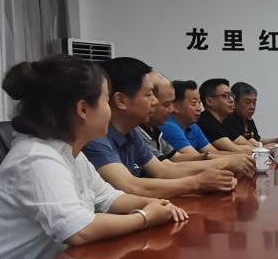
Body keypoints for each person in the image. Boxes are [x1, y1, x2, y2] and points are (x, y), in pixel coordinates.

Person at [0, 55, 187, 259]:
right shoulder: (36, 158)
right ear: (82, 109)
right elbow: (78, 230)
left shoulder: (68, 152)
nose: (109, 110)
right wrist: (145, 217)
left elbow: (109, 198)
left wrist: (156, 205)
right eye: (105, 100)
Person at [84, 58, 240, 197]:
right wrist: (198, 182)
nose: (155, 101)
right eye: (149, 94)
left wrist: (216, 171)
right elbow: (130, 186)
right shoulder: (94, 137)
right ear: (120, 101)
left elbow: (163, 170)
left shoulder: (131, 132)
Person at [162, 80, 241, 160]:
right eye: (194, 103)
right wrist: (234, 159)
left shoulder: (193, 126)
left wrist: (242, 157)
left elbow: (213, 152)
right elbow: (197, 158)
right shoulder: (168, 126)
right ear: (175, 107)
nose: (199, 108)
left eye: (199, 103)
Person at [198, 78, 257, 152]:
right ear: (209, 101)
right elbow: (236, 149)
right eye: (225, 96)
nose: (232, 100)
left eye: (231, 95)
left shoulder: (226, 121)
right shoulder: (205, 121)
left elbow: (247, 144)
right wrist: (263, 149)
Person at [137, 72, 178, 160]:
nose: (172, 110)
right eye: (166, 105)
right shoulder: (136, 133)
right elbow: (165, 167)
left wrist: (206, 156)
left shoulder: (155, 130)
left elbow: (175, 157)